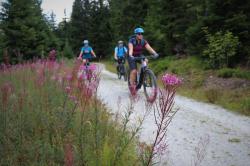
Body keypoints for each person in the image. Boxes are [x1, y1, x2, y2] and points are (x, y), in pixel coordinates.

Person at [128, 27, 159, 91]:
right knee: (133, 71)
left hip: (139, 55)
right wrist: (131, 55)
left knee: (146, 60)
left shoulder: (143, 41)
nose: (141, 35)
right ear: (136, 34)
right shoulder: (132, 40)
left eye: (142, 33)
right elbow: (130, 48)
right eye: (139, 34)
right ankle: (131, 86)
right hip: (132, 56)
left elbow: (149, 48)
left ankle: (141, 74)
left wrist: (155, 53)